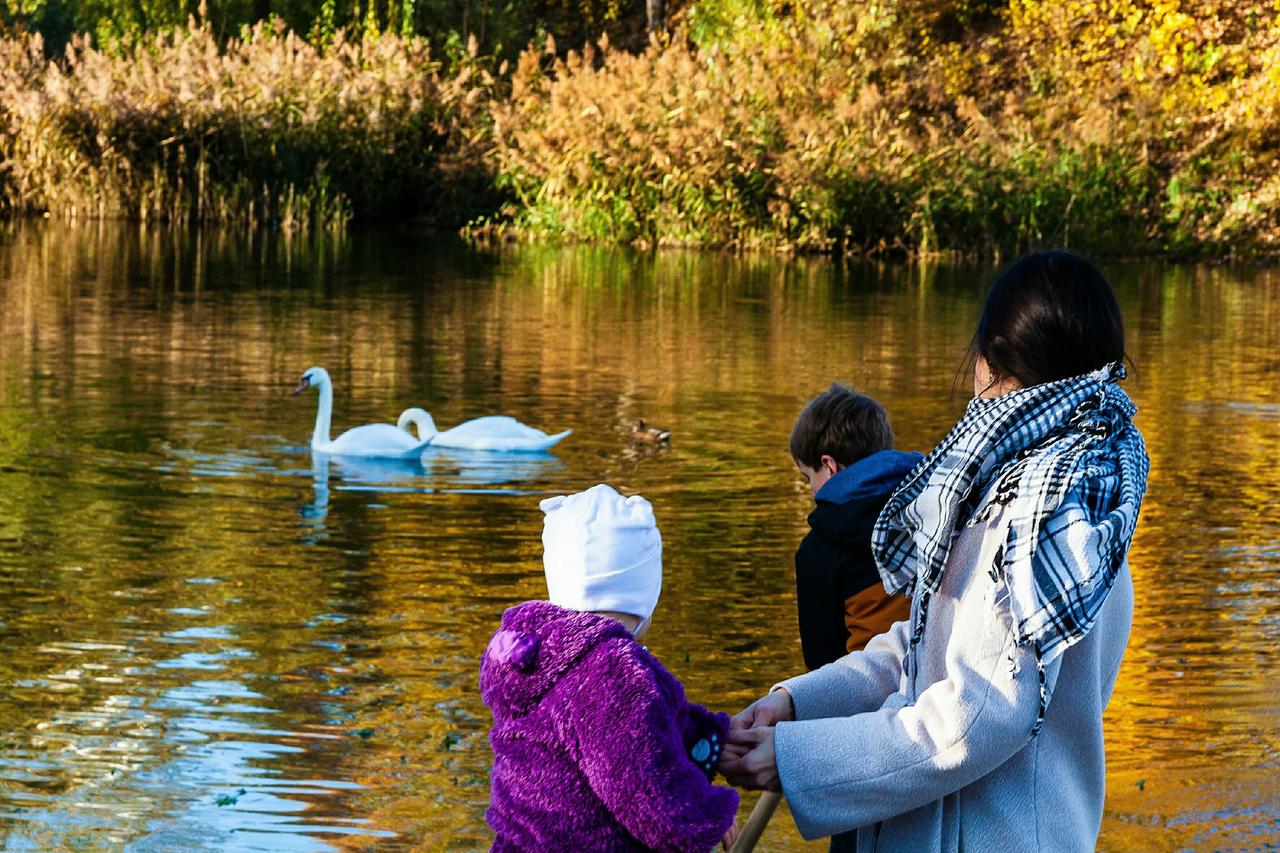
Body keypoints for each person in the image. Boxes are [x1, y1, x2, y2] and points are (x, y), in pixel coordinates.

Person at [721, 250, 1150, 852]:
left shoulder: (1034, 519)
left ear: (988, 363)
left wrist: (794, 759)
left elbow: (976, 715)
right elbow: (924, 653)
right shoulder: (1085, 496)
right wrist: (797, 703)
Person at [480, 484, 739, 852]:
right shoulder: (611, 670)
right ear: (644, 598)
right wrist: (703, 815)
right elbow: (644, 791)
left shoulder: (541, 658)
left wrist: (706, 738)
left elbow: (634, 731)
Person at [790, 384, 921, 671]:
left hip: (869, 694)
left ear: (829, 465)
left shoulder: (820, 549)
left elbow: (821, 663)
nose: (811, 489)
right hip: (940, 680)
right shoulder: (934, 503)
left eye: (807, 477)